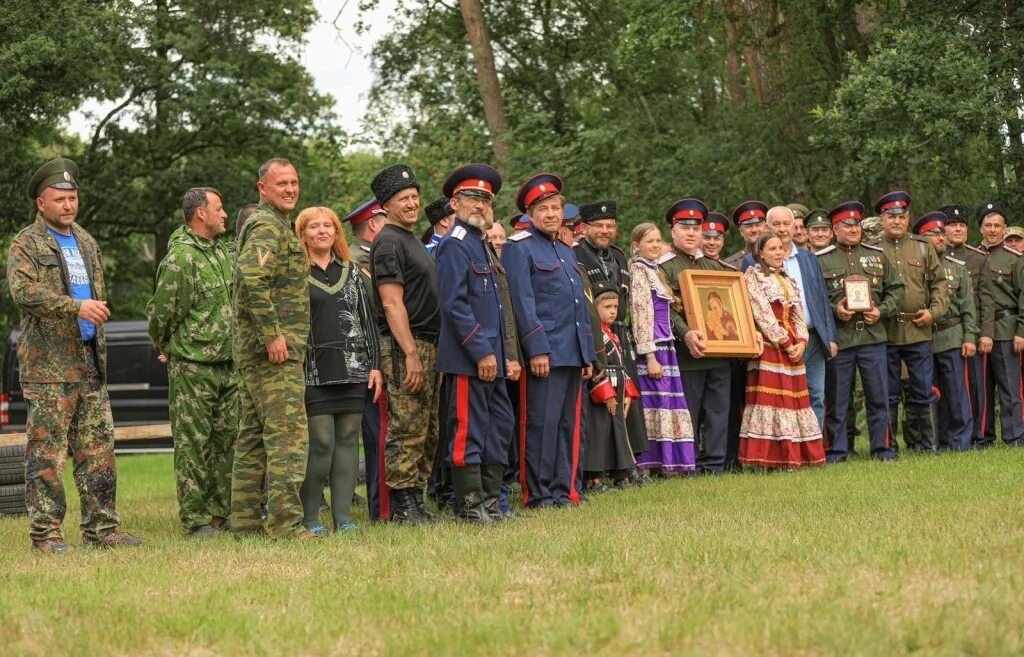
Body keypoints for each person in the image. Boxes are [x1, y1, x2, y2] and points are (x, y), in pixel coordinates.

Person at [8, 157, 141, 553]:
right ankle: (46, 535)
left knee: (98, 450)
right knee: (47, 454)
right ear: (41, 203)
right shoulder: (26, 244)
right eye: (60, 199)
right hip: (49, 368)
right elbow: (24, 293)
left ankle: (103, 530)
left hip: (89, 361)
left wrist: (92, 313)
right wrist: (74, 307)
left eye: (72, 198)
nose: (68, 205)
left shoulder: (86, 240)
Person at [231, 157, 314, 540]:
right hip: (272, 353)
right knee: (286, 438)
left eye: (294, 183)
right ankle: (285, 524)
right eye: (281, 183)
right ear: (262, 188)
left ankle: (246, 523)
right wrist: (272, 334)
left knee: (252, 437)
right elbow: (252, 278)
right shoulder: (266, 225)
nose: (290, 190)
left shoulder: (273, 224)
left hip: (258, 352)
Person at [147, 187, 237, 537]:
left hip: (228, 362)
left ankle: (220, 512)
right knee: (193, 443)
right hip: (193, 365)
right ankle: (196, 519)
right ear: (201, 213)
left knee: (226, 439)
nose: (224, 214)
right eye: (219, 207)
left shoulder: (221, 251)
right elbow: (160, 314)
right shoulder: (181, 259)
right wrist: (166, 345)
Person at [502, 173, 596, 508]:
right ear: (530, 213)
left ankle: (566, 489)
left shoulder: (566, 250)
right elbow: (522, 303)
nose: (551, 214)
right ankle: (539, 493)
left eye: (556, 207)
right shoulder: (519, 249)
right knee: (541, 425)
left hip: (573, 352)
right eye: (543, 208)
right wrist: (536, 348)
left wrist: (588, 354)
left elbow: (579, 305)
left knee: (569, 426)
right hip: (545, 353)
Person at [434, 164, 516, 523]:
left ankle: (489, 501)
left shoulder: (481, 245)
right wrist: (481, 350)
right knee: (469, 429)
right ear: (456, 202)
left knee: (499, 426)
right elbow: (454, 305)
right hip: (471, 358)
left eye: (486, 199)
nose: (480, 205)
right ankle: (469, 506)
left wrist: (500, 353)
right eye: (472, 198)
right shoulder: (456, 246)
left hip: (494, 356)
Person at [295, 207, 382, 533]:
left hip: (355, 368)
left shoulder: (355, 272)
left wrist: (375, 365)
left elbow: (368, 322)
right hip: (314, 372)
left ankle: (343, 519)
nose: (322, 231)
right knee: (320, 443)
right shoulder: (295, 275)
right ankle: (311, 517)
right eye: (313, 226)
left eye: (327, 225)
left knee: (348, 441)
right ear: (302, 234)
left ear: (336, 232)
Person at [369, 164, 442, 522]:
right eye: (403, 199)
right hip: (405, 346)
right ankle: (401, 506)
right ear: (386, 205)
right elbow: (391, 302)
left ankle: (417, 500)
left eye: (414, 196)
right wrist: (410, 353)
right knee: (407, 425)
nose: (412, 203)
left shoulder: (411, 238)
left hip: (429, 345)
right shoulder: (388, 241)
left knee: (427, 428)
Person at [817, 201, 903, 462]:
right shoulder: (821, 260)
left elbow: (896, 289)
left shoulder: (877, 255)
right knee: (838, 400)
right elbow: (816, 299)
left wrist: (883, 310)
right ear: (835, 229)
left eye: (856, 224)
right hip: (841, 339)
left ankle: (883, 449)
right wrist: (835, 309)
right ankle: (837, 451)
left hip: (872, 337)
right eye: (847, 225)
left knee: (879, 396)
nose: (853, 229)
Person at [740, 206, 838, 430]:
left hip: (812, 338)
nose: (782, 229)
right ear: (767, 227)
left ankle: (814, 447)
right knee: (783, 397)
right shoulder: (751, 263)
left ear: (795, 227)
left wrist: (831, 337)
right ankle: (789, 447)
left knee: (816, 394)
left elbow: (821, 299)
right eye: (777, 225)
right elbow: (754, 307)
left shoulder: (809, 258)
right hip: (776, 344)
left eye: (787, 224)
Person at [657, 198, 735, 475]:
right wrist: (685, 333)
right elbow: (662, 310)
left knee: (718, 411)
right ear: (673, 231)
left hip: (720, 352)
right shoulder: (663, 267)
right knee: (688, 411)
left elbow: (731, 308)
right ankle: (687, 462)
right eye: (685, 227)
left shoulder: (716, 268)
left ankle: (714, 464)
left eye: (696, 228)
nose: (691, 233)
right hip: (686, 353)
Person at [739, 233, 825, 468]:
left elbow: (798, 314)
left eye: (781, 249)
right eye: (772, 249)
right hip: (771, 346)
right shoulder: (753, 277)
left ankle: (796, 456)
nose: (778, 253)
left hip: (793, 346)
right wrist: (786, 343)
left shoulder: (788, 279)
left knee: (795, 401)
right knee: (773, 400)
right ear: (760, 253)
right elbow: (762, 315)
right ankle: (769, 457)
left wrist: (802, 343)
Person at [575, 200, 649, 466]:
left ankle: (628, 464)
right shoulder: (575, 254)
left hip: (620, 334)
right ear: (585, 227)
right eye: (599, 226)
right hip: (595, 336)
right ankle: (599, 467)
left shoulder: (618, 255)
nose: (605, 230)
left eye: (610, 226)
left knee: (627, 397)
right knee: (600, 400)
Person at [876, 191, 948, 453]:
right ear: (882, 219)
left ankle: (929, 446)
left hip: (919, 328)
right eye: (891, 217)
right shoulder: (872, 248)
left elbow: (940, 283)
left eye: (902, 217)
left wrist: (935, 312)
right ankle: (888, 447)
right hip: (885, 330)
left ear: (908, 219)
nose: (896, 221)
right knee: (889, 392)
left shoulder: (922, 245)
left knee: (923, 390)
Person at [630, 223, 695, 473]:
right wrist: (650, 355)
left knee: (666, 402)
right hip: (653, 345)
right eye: (650, 242)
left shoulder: (654, 270)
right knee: (654, 402)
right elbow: (641, 314)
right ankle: (650, 462)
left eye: (658, 241)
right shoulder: (638, 271)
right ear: (637, 246)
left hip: (665, 343)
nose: (656, 246)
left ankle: (670, 461)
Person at [342, 198, 391, 521]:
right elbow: (378, 307)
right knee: (377, 434)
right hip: (372, 355)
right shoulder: (360, 260)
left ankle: (381, 504)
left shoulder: (364, 257)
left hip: (370, 356)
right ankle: (380, 507)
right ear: (373, 224)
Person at [913, 211, 976, 451]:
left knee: (956, 391)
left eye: (941, 233)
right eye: (933, 234)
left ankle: (960, 441)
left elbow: (969, 306)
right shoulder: (914, 267)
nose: (940, 238)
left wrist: (969, 337)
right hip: (923, 336)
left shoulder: (956, 268)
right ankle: (932, 441)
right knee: (928, 392)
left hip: (951, 336)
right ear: (921, 239)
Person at [940, 204, 990, 447]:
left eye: (961, 225)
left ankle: (977, 436)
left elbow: (984, 299)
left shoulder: (978, 258)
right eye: (952, 225)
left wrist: (981, 333)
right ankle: (949, 435)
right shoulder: (932, 257)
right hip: (944, 333)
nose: (957, 229)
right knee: (948, 388)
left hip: (972, 329)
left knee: (974, 387)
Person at [976, 201, 1024, 447]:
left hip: (1006, 328)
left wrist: (1021, 331)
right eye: (988, 225)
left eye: (997, 225)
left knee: (1009, 387)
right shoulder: (971, 256)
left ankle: (1014, 435)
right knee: (981, 388)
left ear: (1005, 229)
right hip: (978, 331)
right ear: (980, 228)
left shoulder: (1015, 259)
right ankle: (984, 436)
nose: (992, 230)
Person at [585, 283, 640, 490]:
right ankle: (594, 477)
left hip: (618, 385)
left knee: (618, 432)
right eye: (607, 307)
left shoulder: (613, 334)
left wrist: (628, 393)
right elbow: (597, 368)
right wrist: (606, 394)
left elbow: (622, 366)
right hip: (603, 389)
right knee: (598, 433)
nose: (613, 311)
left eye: (615, 307)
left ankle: (622, 472)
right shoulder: (596, 334)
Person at [724, 199, 768, 267]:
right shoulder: (731, 265)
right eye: (749, 226)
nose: (754, 230)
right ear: (741, 231)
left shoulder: (780, 257)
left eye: (758, 225)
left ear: (766, 227)